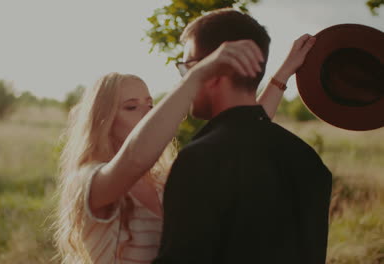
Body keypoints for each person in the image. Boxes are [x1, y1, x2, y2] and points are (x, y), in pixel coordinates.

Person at [53, 9, 319, 264]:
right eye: (131, 107)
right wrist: (199, 73)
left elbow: (242, 126)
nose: (147, 113)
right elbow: (133, 161)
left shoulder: (163, 180)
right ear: (103, 121)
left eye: (150, 104)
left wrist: (282, 74)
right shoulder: (86, 180)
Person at [152, 8, 332, 264]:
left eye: (189, 67)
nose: (185, 81)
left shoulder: (200, 160)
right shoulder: (308, 159)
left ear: (215, 69)